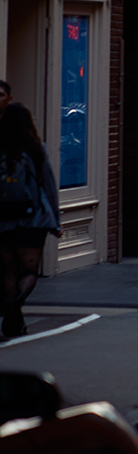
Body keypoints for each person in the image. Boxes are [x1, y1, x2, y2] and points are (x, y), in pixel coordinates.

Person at [0, 94, 62, 339]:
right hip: (33, 219)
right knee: (29, 271)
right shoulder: (36, 149)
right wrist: (56, 220)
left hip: (3, 219)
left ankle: (12, 310)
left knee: (9, 270)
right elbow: (48, 185)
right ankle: (15, 304)